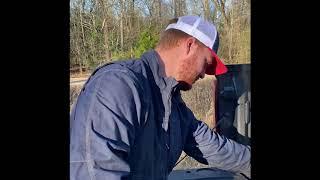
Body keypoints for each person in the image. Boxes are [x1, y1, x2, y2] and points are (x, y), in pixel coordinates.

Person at [70, 15, 251, 180]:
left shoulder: (175, 108)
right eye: (206, 64)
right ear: (190, 45)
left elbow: (216, 148)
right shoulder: (117, 85)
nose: (204, 74)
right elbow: (95, 172)